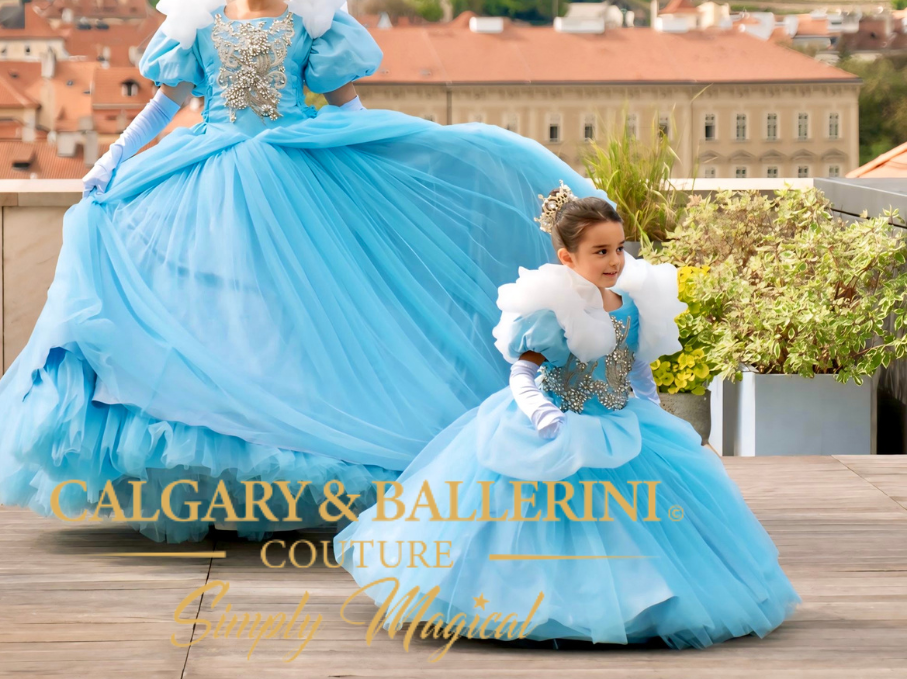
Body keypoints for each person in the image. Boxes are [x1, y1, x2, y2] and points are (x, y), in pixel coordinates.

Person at [0, 0, 606, 542]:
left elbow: (352, 109)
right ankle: (209, 477)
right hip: (206, 175)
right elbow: (166, 102)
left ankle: (272, 467)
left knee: (279, 328)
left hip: (291, 173)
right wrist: (114, 159)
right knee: (206, 315)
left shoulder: (310, 21)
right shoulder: (199, 18)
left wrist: (383, 165)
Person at [334, 187, 801, 648]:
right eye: (600, 251)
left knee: (640, 518)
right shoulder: (553, 312)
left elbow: (634, 365)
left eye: (618, 248)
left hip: (621, 422)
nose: (614, 260)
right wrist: (540, 413)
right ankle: (540, 602)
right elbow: (523, 372)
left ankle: (649, 599)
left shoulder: (633, 305)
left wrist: (653, 409)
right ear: (567, 257)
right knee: (545, 520)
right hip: (557, 422)